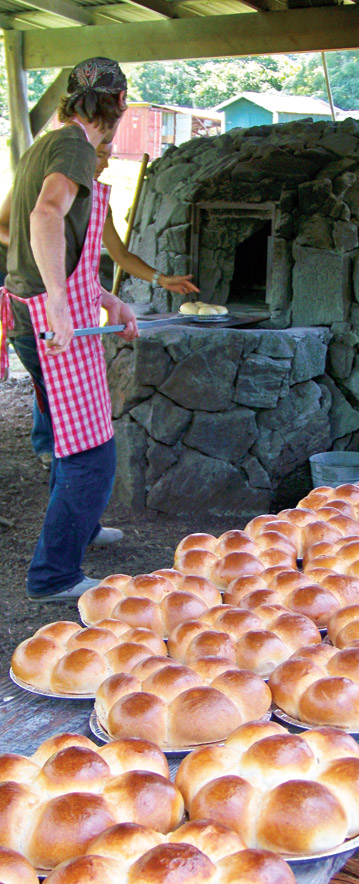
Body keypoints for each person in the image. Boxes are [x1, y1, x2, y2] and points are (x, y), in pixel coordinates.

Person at [0, 57, 141, 602]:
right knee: (91, 452)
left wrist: (102, 297)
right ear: (119, 105)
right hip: (47, 318)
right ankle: (55, 574)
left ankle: (78, 528)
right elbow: (42, 218)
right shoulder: (78, 147)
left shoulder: (44, 143)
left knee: (68, 436)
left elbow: (8, 221)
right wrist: (59, 302)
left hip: (27, 307)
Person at [28, 140, 200, 468]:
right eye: (101, 155)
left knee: (71, 386)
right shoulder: (48, 194)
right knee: (48, 379)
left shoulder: (97, 201)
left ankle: (67, 454)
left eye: (109, 156)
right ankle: (47, 444)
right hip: (45, 300)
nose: (105, 164)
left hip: (81, 299)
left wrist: (161, 279)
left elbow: (119, 255)